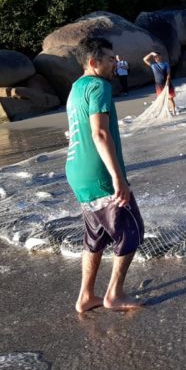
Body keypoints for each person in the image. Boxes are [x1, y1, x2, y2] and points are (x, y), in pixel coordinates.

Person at [66, 37, 144, 313]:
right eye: (110, 58)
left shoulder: (76, 88)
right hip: (98, 172)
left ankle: (86, 296)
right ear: (93, 62)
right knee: (131, 231)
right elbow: (99, 133)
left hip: (77, 172)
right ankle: (114, 295)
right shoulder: (99, 86)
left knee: (96, 236)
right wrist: (117, 178)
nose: (115, 63)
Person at [143, 51, 176, 116]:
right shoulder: (153, 65)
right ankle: (165, 112)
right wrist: (151, 53)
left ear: (160, 56)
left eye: (157, 56)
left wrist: (167, 81)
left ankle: (174, 111)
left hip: (167, 83)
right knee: (161, 99)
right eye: (154, 57)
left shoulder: (165, 64)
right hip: (158, 85)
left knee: (170, 98)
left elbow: (168, 74)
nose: (155, 58)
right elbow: (144, 59)